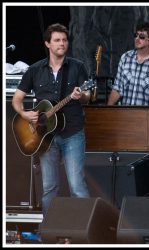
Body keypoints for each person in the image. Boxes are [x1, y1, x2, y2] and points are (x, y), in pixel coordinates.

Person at [12, 23, 90, 216]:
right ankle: (48, 232)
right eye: (57, 40)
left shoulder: (77, 67)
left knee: (77, 186)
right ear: (47, 44)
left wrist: (83, 96)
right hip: (44, 137)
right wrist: (24, 114)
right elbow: (16, 100)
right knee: (49, 187)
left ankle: (85, 233)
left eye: (64, 40)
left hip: (72, 132)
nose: (62, 44)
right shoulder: (35, 69)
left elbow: (88, 95)